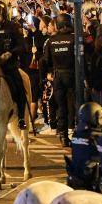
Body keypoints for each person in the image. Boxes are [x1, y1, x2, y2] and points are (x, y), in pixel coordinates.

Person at [0, 2, 28, 129]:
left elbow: (22, 46)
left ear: (3, 14)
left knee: (20, 86)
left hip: (9, 65)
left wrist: (11, 53)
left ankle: (21, 117)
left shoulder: (13, 27)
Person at [43, 12, 75, 146]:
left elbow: (45, 60)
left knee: (61, 106)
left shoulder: (51, 41)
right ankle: (73, 131)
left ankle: (62, 135)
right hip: (71, 74)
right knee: (72, 104)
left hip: (57, 76)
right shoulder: (74, 39)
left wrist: (49, 72)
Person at [67, 102, 102, 190]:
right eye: (101, 116)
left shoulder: (77, 134)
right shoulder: (96, 136)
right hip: (92, 179)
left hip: (76, 174)